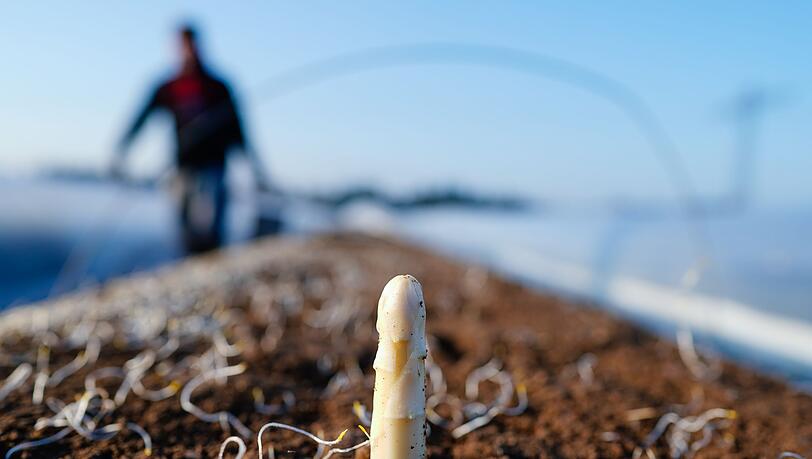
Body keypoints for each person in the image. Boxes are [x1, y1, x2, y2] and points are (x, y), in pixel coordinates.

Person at [113, 24, 269, 253]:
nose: (189, 50)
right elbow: (142, 117)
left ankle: (213, 261)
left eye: (191, 44)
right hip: (183, 165)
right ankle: (190, 262)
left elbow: (238, 130)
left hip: (214, 164)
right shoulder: (169, 87)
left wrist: (253, 164)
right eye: (183, 45)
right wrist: (124, 146)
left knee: (213, 223)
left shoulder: (218, 86)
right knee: (184, 228)